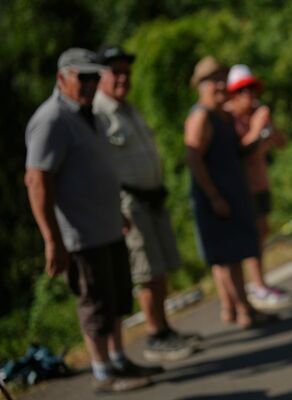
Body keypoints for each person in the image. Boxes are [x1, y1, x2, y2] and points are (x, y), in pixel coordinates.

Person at [24, 48, 155, 393]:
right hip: (81, 234)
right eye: (82, 77)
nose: (90, 84)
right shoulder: (51, 119)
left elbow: (96, 170)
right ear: (61, 79)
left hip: (107, 225)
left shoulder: (87, 113)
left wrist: (117, 211)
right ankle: (102, 371)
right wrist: (52, 239)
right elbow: (37, 180)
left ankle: (117, 360)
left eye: (95, 77)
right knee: (94, 301)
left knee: (116, 299)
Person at [93, 45, 195, 362]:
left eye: (126, 71)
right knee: (146, 271)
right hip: (129, 202)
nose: (123, 77)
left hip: (152, 197)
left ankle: (164, 327)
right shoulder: (97, 114)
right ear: (100, 76)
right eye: (115, 71)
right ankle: (154, 335)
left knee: (161, 268)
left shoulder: (129, 109)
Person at [184, 56, 267, 328]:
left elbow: (238, 151)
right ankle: (243, 310)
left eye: (222, 78)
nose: (220, 85)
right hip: (216, 197)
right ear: (202, 85)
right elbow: (194, 159)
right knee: (226, 257)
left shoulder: (223, 114)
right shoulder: (201, 116)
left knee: (234, 255)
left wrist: (256, 131)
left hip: (232, 192)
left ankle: (240, 307)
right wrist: (214, 197)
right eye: (214, 80)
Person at [225, 64, 292, 311]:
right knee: (251, 238)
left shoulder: (256, 114)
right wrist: (256, 127)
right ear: (233, 94)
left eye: (252, 89)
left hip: (261, 183)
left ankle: (258, 282)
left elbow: (282, 143)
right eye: (243, 91)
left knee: (262, 232)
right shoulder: (230, 117)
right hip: (245, 189)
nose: (250, 95)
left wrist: (269, 127)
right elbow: (241, 151)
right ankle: (256, 285)